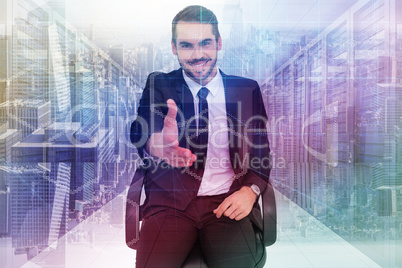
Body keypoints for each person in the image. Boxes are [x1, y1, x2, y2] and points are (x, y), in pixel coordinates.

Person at [130, 5, 271, 267]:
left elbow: (261, 153)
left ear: (219, 43)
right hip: (170, 204)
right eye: (186, 46)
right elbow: (142, 128)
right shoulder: (159, 85)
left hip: (226, 201)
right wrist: (159, 144)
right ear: (174, 48)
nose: (197, 55)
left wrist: (250, 191)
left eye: (205, 43)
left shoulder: (246, 89)